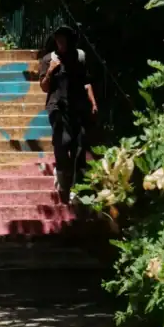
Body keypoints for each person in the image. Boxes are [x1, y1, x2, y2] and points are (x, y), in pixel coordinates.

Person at [39, 24, 98, 204]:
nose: (61, 41)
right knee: (62, 142)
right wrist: (50, 70)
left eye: (64, 37)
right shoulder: (49, 59)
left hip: (78, 107)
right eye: (58, 38)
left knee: (79, 147)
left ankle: (77, 188)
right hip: (57, 107)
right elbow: (44, 87)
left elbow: (86, 82)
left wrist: (93, 103)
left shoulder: (80, 57)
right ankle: (63, 178)